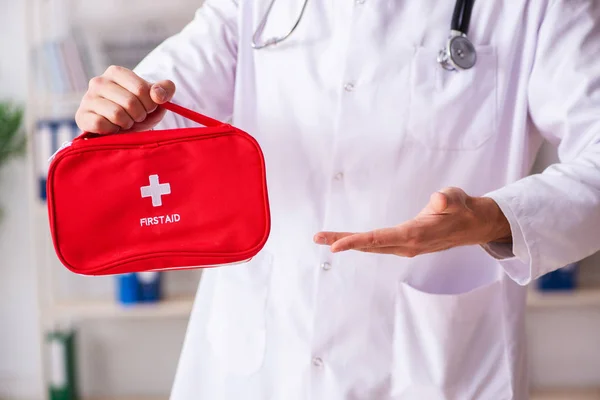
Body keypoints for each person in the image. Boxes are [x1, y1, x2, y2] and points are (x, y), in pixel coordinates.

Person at [75, 1, 600, 399]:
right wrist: (122, 104)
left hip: (432, 368)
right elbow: (167, 94)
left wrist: (493, 219)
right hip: (259, 361)